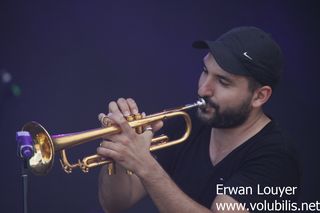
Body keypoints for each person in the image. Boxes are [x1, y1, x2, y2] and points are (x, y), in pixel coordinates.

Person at [96, 26, 300, 213]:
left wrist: (145, 166)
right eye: (205, 71)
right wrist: (118, 150)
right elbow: (116, 204)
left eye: (223, 81)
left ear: (259, 96)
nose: (203, 89)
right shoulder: (186, 124)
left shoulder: (277, 158)